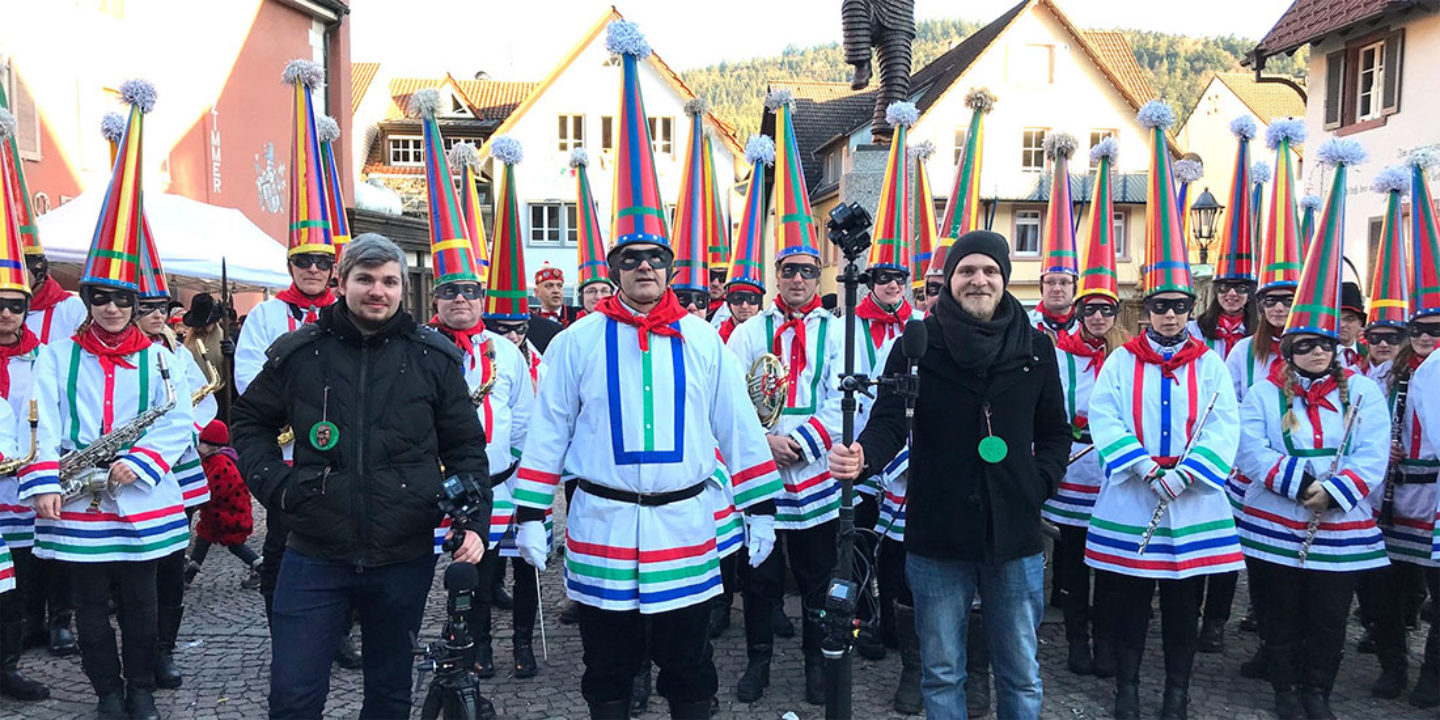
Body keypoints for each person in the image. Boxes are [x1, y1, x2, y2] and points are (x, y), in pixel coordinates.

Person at [512, 26, 782, 718]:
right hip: (601, 528)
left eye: (653, 259)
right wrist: (531, 514)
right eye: (629, 258)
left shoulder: (702, 339)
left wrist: (758, 507)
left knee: (690, 674)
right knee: (607, 674)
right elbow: (548, 430)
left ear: (670, 268)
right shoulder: (574, 342)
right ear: (612, 269)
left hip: (686, 532)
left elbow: (738, 424)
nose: (642, 269)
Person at [232, 233, 490, 719]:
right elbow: (248, 421)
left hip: (402, 553)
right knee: (292, 696)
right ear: (341, 281)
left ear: (402, 288)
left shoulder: (432, 358)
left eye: (390, 281)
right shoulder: (299, 352)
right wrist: (276, 486)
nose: (379, 290)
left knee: (390, 695)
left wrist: (473, 522)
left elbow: (466, 448)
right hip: (313, 551)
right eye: (366, 279)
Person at [830, 230, 1069, 720]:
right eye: (966, 271)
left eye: (989, 271)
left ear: (1004, 279)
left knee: (1020, 672)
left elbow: (1055, 433)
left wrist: (1037, 485)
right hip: (937, 530)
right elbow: (889, 420)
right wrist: (862, 456)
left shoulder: (1037, 349)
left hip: (1014, 531)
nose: (978, 280)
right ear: (948, 280)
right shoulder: (917, 345)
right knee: (941, 671)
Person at [20, 78, 193, 720]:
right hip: (77, 494)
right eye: (102, 297)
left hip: (143, 496)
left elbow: (179, 423)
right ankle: (109, 695)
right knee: (91, 606)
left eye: (126, 298)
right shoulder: (57, 355)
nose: (115, 308)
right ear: (86, 299)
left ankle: (143, 690)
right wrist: (46, 480)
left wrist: (142, 462)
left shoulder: (162, 356)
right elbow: (37, 422)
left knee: (144, 604)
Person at [1084, 101, 1244, 720]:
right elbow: (1106, 418)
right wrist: (1144, 467)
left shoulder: (1210, 365)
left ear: (1189, 307)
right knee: (1127, 602)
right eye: (1161, 307)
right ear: (1146, 309)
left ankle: (1176, 693)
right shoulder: (1123, 361)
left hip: (1196, 501)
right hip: (1134, 495)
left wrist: (1192, 471)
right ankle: (1126, 688)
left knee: (1184, 606)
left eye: (1180, 306)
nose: (1171, 316)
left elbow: (1223, 424)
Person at [1235, 140, 1388, 720]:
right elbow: (1250, 448)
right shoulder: (1266, 390)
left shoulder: (1365, 391)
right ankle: (1285, 690)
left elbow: (1374, 453)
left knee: (1329, 615)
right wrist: (1302, 486)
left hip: (1343, 526)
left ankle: (1318, 690)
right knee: (1278, 612)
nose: (1317, 353)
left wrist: (1339, 491)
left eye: (1325, 344)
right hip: (1279, 521)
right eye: (1306, 345)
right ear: (1290, 347)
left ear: (1336, 346)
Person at [727, 88, 846, 707]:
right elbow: (731, 396)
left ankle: (816, 665)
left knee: (819, 578)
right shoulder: (749, 330)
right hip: (760, 470)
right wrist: (761, 443)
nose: (796, 280)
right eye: (787, 271)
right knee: (760, 576)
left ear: (817, 274)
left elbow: (838, 398)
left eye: (805, 270)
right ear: (775, 275)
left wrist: (800, 441)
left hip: (816, 472)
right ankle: (757, 664)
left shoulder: (836, 330)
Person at [232, 62, 348, 668]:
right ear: (290, 265)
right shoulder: (268, 317)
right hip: (287, 453)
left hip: (345, 454)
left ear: (334, 267)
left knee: (348, 544)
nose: (310, 269)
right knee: (283, 546)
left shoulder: (353, 314)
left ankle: (343, 632)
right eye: (301, 259)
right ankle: (288, 632)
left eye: (320, 261)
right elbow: (251, 382)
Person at [1043, 135, 1126, 682]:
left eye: (1105, 310)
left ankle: (1111, 635)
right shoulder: (1054, 352)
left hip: (1117, 475)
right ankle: (1078, 637)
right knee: (1072, 559)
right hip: (1073, 473)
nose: (1096, 318)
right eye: (1089, 310)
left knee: (1113, 563)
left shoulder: (1128, 358)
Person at [1369, 153, 1440, 709]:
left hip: (1436, 497)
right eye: (1418, 329)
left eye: (1436, 330)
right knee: (1383, 595)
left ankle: (1431, 677)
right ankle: (1393, 665)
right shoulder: (1379, 374)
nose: (1423, 337)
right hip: (1390, 498)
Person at [0, 116, 48, 703]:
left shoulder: (46, 358)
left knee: (14, 581)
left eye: (14, 305)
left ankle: (8, 663)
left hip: (20, 487)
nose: (6, 315)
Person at [185, 420, 261, 590]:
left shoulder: (220, 464)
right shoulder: (212, 461)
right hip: (215, 515)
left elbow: (209, 491)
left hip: (228, 514)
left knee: (234, 544)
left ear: (212, 445)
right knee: (203, 541)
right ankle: (188, 575)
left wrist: (193, 503)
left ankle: (260, 566)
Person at [715, 134, 773, 344]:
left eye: (752, 299)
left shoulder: (773, 335)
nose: (745, 306)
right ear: (728, 301)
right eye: (738, 299)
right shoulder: (716, 338)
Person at [532, 263, 579, 329]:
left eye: (559, 286)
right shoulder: (531, 319)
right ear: (536, 292)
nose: (556, 290)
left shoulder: (577, 316)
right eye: (549, 286)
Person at [1338, 281, 1368, 372]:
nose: (1342, 325)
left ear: (1360, 323)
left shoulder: (1369, 355)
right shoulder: (1319, 355)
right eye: (1337, 319)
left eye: (1349, 319)